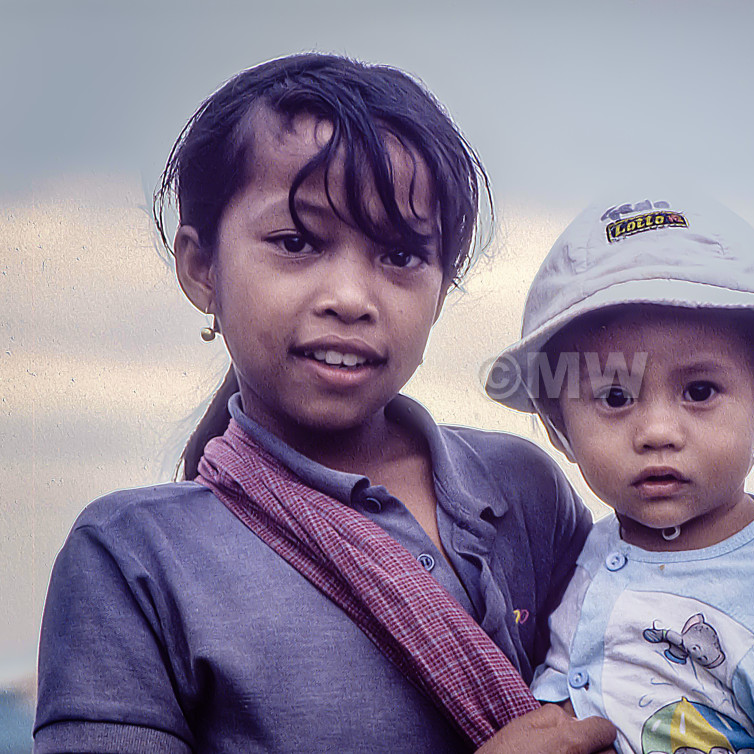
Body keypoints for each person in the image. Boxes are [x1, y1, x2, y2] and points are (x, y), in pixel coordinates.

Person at [34, 53, 615, 754]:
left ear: (443, 281)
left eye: (400, 256)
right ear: (201, 268)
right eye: (296, 242)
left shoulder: (525, 493)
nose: (350, 297)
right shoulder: (133, 557)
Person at [485, 193, 754, 753]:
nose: (657, 431)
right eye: (614, 396)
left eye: (699, 391)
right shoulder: (588, 550)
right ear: (558, 426)